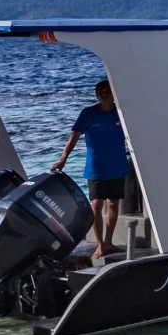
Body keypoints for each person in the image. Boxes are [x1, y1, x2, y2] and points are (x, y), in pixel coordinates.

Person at [53, 78, 130, 258]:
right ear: (96, 94)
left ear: (113, 94)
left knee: (113, 203)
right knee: (96, 205)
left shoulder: (121, 112)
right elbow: (74, 136)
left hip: (117, 166)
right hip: (96, 167)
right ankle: (100, 244)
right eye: (101, 91)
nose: (104, 94)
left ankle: (109, 242)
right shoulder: (88, 113)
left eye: (107, 91)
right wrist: (63, 158)